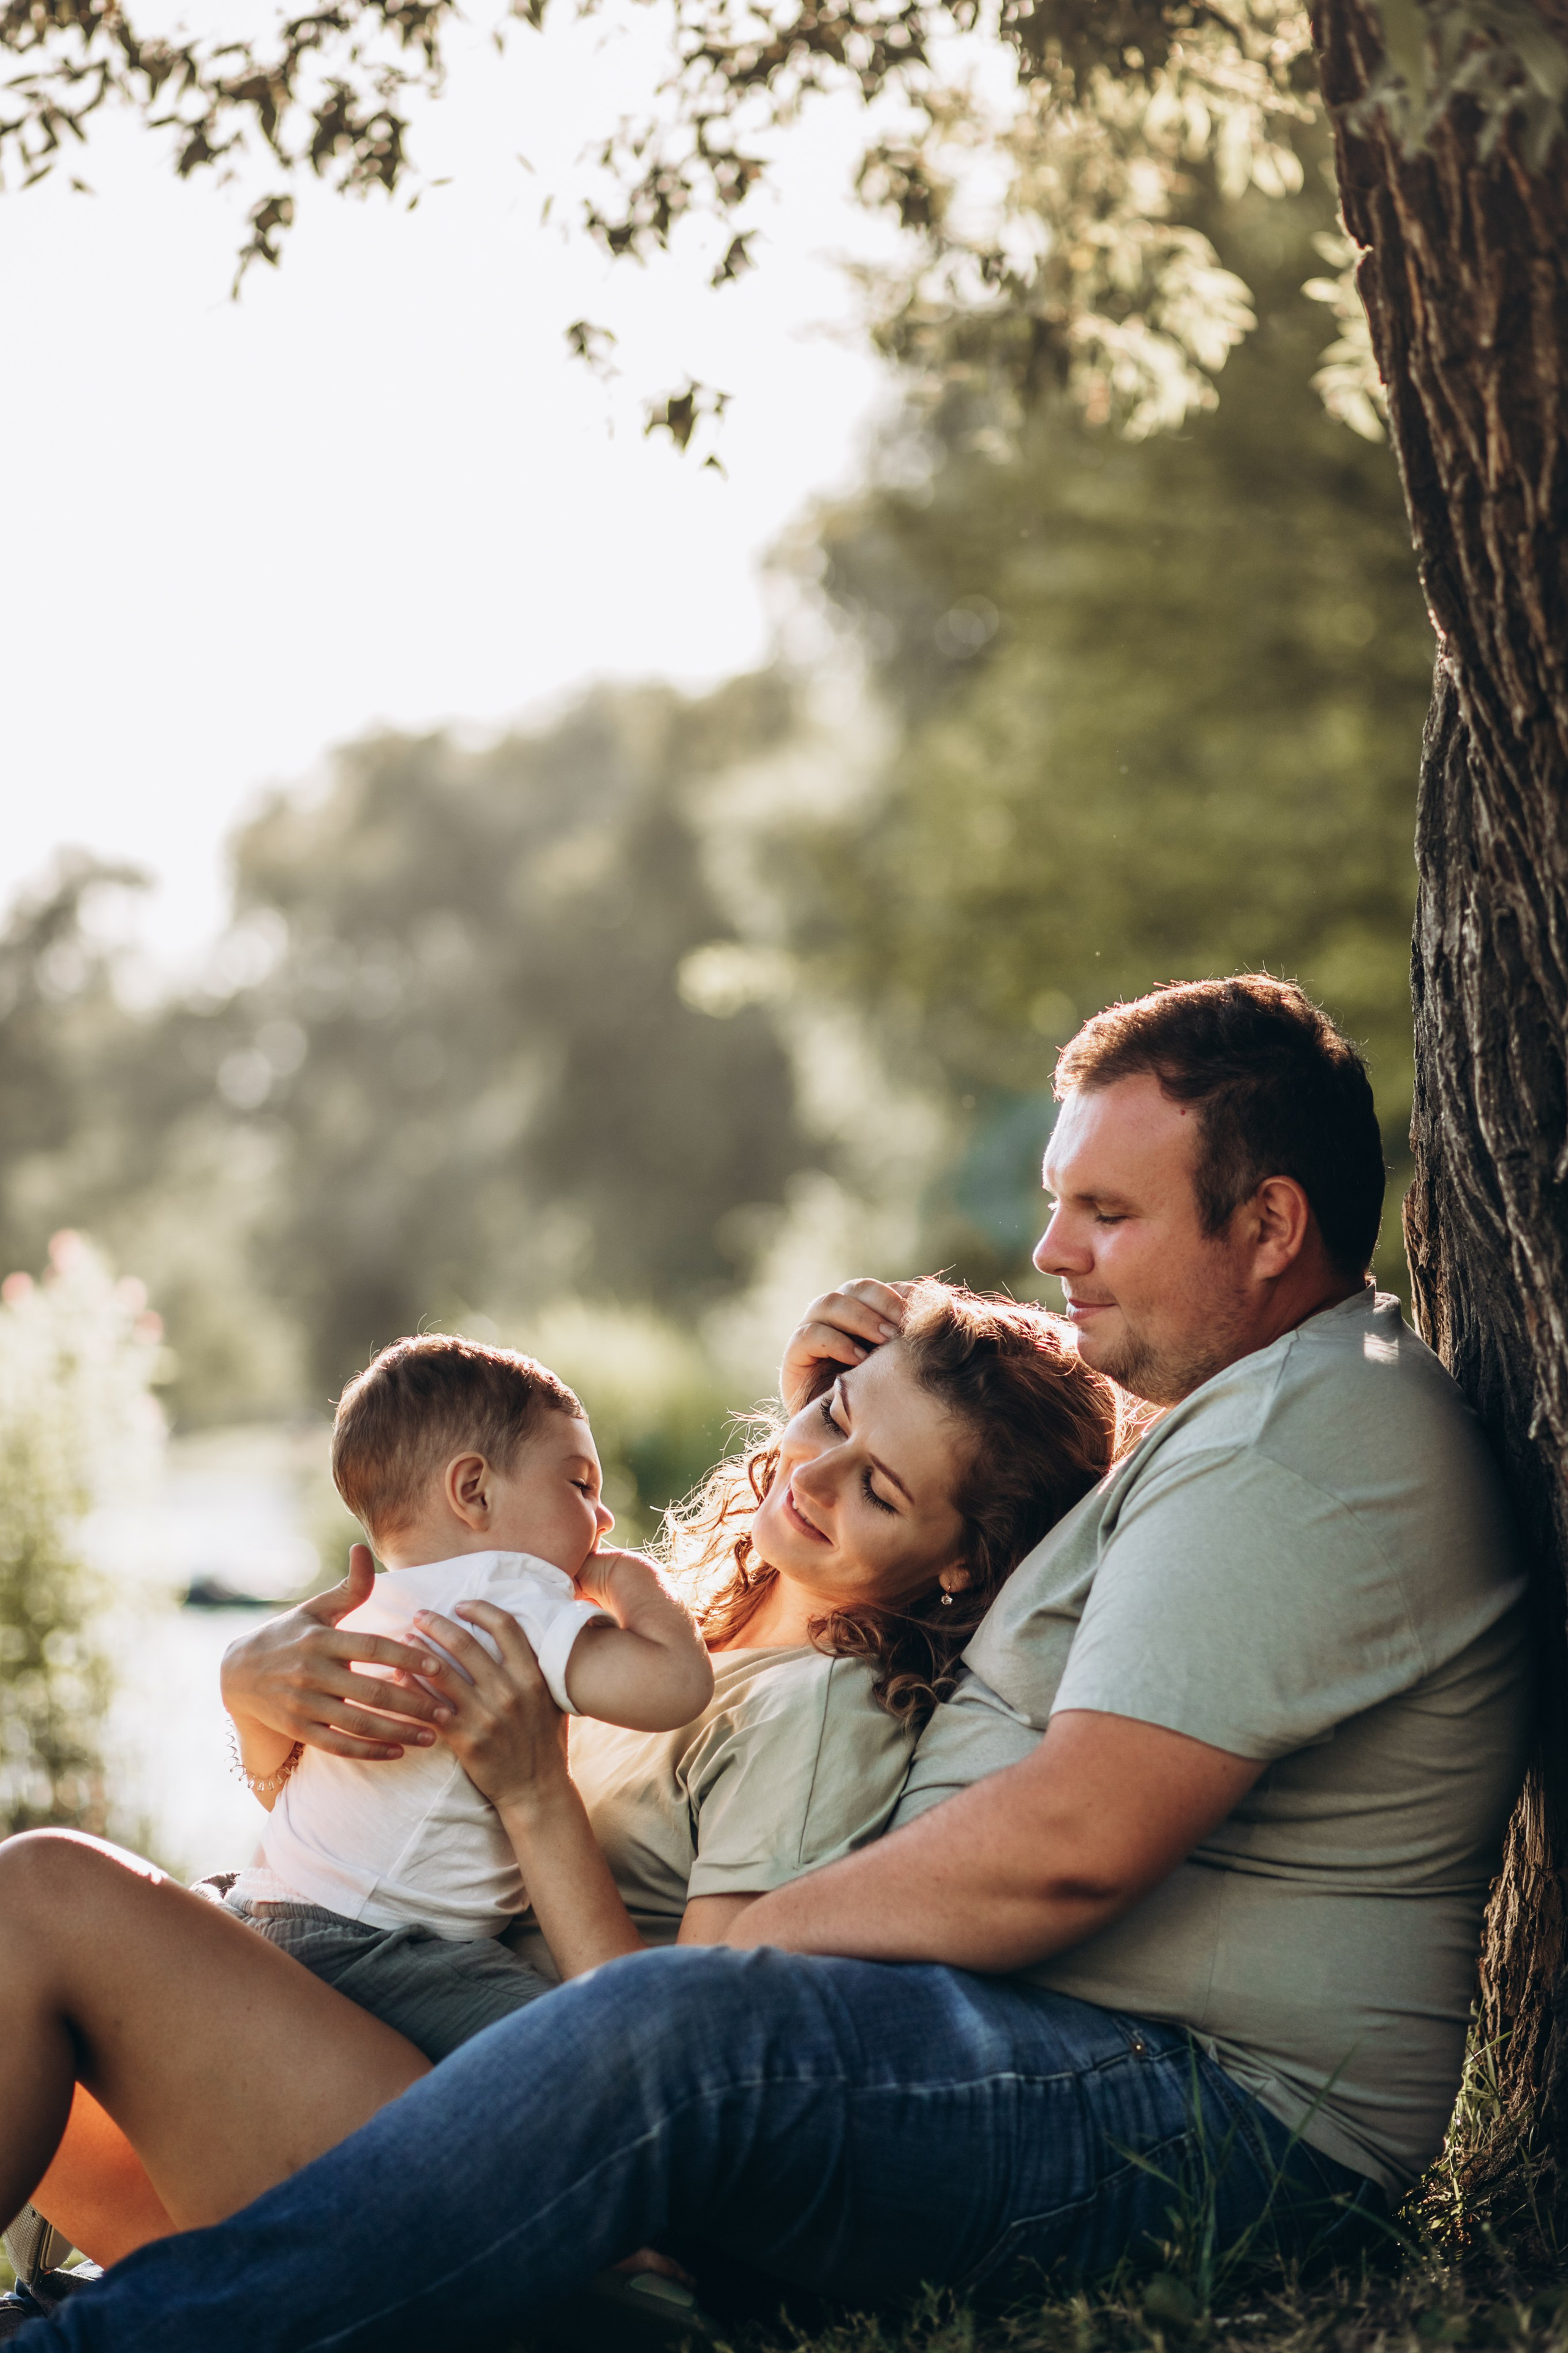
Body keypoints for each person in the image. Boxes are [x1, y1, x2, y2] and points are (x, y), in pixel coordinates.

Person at [3, 975, 1532, 2352]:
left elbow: (1070, 1841)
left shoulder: (1290, 1442)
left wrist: (719, 1974)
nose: (1048, 1250)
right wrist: (830, 1409)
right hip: (1079, 2056)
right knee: (64, 1898)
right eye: (1057, 1202)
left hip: (1225, 2117)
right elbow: (992, 1488)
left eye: (1107, 1213)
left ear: (1266, 1227)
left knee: (674, 2025)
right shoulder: (1245, 1413)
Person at [0, 1285, 1116, 2315]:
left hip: (529, 2169)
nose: (817, 1477)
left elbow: (697, 2059)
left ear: (962, 1562)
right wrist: (255, 1707)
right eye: (835, 1415)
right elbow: (388, 1831)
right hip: (394, 2054)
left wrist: (536, 1792)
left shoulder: (820, 1714)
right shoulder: (684, 1626)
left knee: (45, 1893)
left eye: (878, 1488)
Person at [214, 1332, 714, 2052]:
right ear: (474, 1490)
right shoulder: (509, 1596)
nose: (602, 1519)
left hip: (268, 1905)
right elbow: (676, 1685)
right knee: (584, 2053)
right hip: (383, 1948)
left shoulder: (374, 1607)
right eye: (580, 1485)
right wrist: (633, 1580)